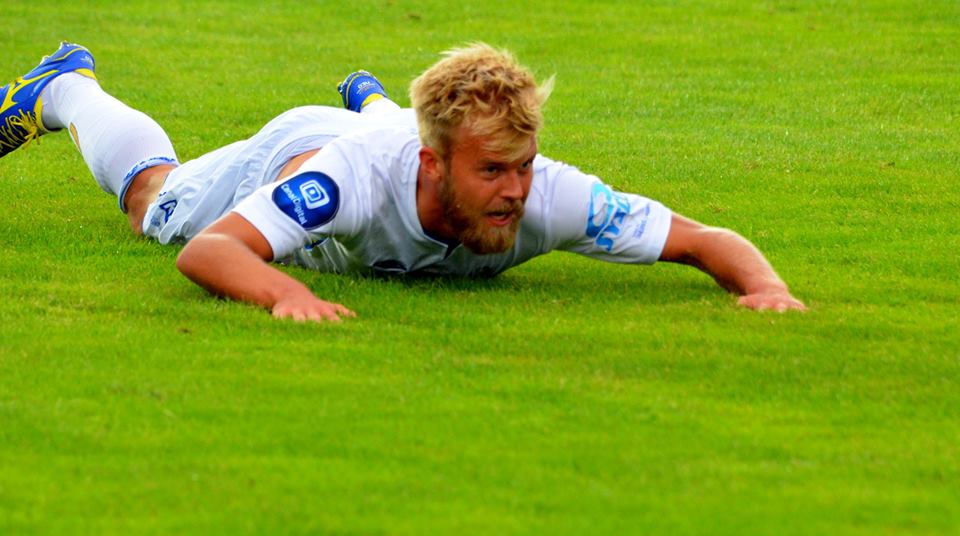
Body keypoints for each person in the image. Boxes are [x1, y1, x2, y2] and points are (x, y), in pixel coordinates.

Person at [1, 42, 806, 322]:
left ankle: (380, 100)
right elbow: (211, 252)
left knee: (393, 132)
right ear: (436, 163)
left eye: (521, 167)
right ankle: (67, 88)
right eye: (492, 171)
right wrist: (285, 295)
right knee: (153, 206)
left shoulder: (552, 195)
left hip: (388, 136)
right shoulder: (347, 181)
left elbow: (706, 240)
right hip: (299, 150)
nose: (515, 191)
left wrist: (763, 287)